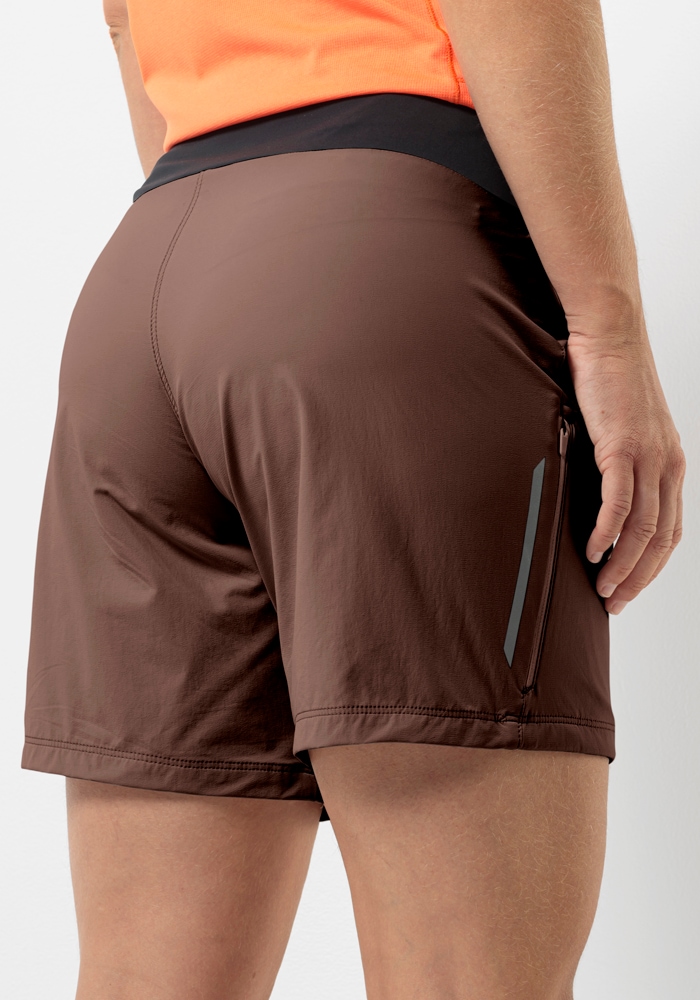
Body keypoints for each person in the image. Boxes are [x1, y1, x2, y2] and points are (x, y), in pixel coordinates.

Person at [22, 0, 685, 997]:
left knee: (143, 980)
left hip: (148, 278)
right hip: (384, 248)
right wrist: (609, 329)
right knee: (463, 978)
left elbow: (125, 23)